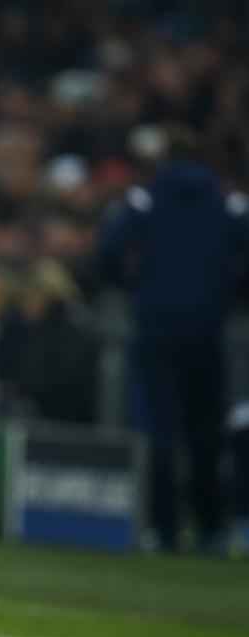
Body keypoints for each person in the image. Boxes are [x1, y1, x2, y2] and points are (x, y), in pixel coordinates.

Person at [97, 125, 247, 554]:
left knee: (159, 432)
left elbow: (106, 256)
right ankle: (212, 529)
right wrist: (226, 293)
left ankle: (162, 530)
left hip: (155, 330)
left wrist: (136, 287)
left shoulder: (143, 202)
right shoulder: (228, 204)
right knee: (207, 434)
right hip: (209, 331)